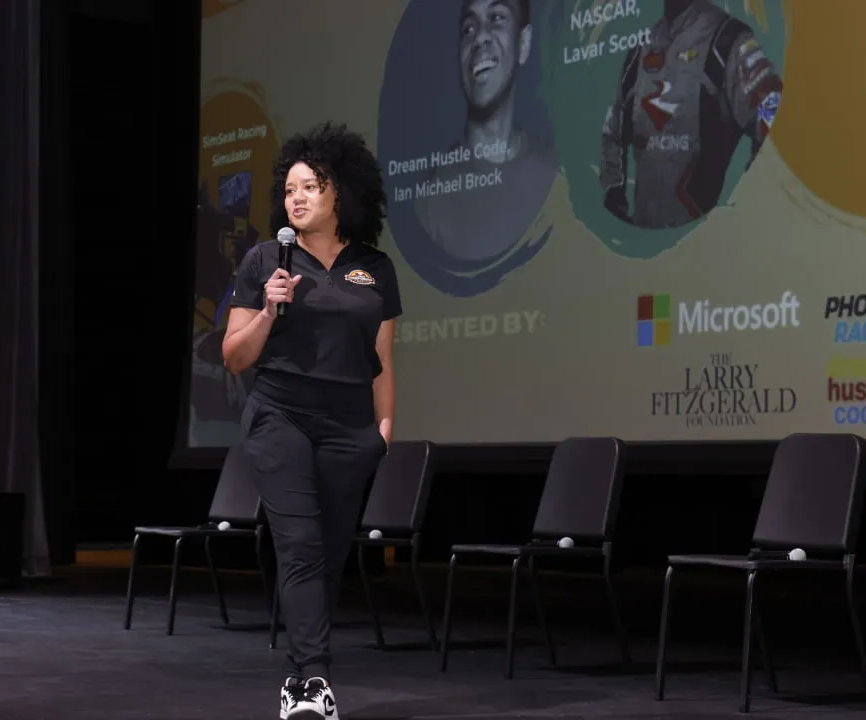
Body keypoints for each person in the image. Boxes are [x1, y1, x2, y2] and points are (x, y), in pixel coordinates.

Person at [222, 121, 399, 720]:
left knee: (328, 553)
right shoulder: (263, 261)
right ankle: (312, 682)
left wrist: (383, 431)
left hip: (350, 428)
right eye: (290, 189)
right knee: (298, 546)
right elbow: (234, 357)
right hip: (281, 416)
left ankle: (301, 672)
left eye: (311, 187)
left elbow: (383, 359)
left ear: (341, 192)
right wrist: (269, 311)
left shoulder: (375, 268)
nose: (296, 198)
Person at [599, 0, 782, 230]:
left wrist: (746, 206)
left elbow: (775, 119)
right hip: (643, 240)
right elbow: (613, 132)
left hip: (707, 243)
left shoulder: (727, 40)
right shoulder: (640, 48)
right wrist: (613, 193)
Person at [412, 0, 557, 265]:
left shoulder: (556, 176)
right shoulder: (428, 202)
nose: (479, 37)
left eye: (497, 18)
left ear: (523, 43)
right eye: (469, 28)